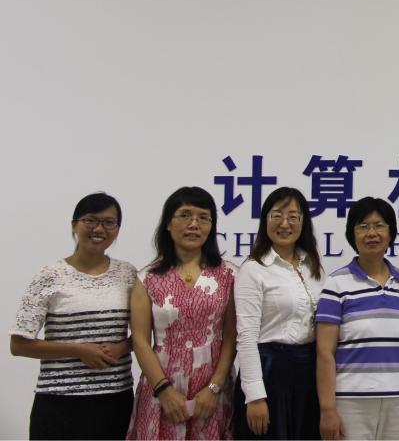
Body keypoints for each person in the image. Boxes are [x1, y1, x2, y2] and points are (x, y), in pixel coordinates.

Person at [10, 193, 136, 439]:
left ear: (117, 229)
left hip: (115, 401)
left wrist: (122, 347)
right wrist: (78, 350)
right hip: (59, 404)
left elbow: (144, 335)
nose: (99, 228)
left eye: (108, 222)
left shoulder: (128, 274)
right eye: (90, 220)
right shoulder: (50, 275)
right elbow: (19, 344)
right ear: (74, 225)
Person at [126, 186, 237, 440]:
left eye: (203, 217)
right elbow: (140, 340)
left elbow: (231, 336)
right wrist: (163, 390)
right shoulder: (147, 278)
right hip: (161, 386)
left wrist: (214, 387)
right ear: (168, 224)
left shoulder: (229, 275)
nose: (194, 224)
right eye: (185, 215)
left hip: (212, 389)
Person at [315, 197, 399, 440]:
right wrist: (327, 409)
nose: (372, 233)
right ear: (352, 234)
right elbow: (325, 352)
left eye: (379, 225)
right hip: (350, 402)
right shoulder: (336, 283)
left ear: (391, 233)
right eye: (363, 226)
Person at [233, 187, 325, 439]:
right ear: (265, 221)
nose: (285, 224)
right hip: (270, 374)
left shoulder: (313, 266)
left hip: (308, 375)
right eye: (277, 216)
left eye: (293, 217)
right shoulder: (253, 269)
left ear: (303, 222)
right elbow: (246, 337)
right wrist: (255, 396)